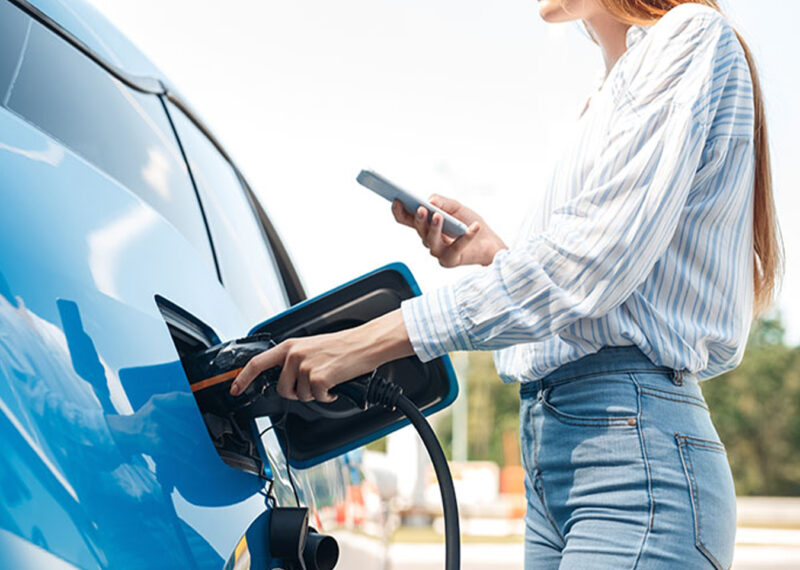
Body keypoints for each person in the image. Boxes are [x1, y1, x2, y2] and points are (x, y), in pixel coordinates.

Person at [231, 0, 782, 567]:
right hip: (556, 452)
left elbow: (588, 264)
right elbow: (598, 283)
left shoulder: (689, 37)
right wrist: (495, 255)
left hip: (633, 460)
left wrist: (363, 343)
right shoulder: (603, 95)